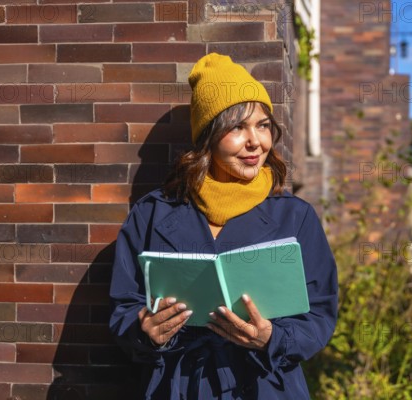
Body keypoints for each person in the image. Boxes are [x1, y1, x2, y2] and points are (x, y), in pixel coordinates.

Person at [109, 53, 338, 399]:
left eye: (263, 125)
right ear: (208, 137)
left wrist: (273, 339)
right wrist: (145, 331)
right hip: (178, 385)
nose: (255, 142)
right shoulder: (152, 213)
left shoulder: (294, 217)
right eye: (236, 127)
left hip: (265, 385)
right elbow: (123, 307)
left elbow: (320, 312)